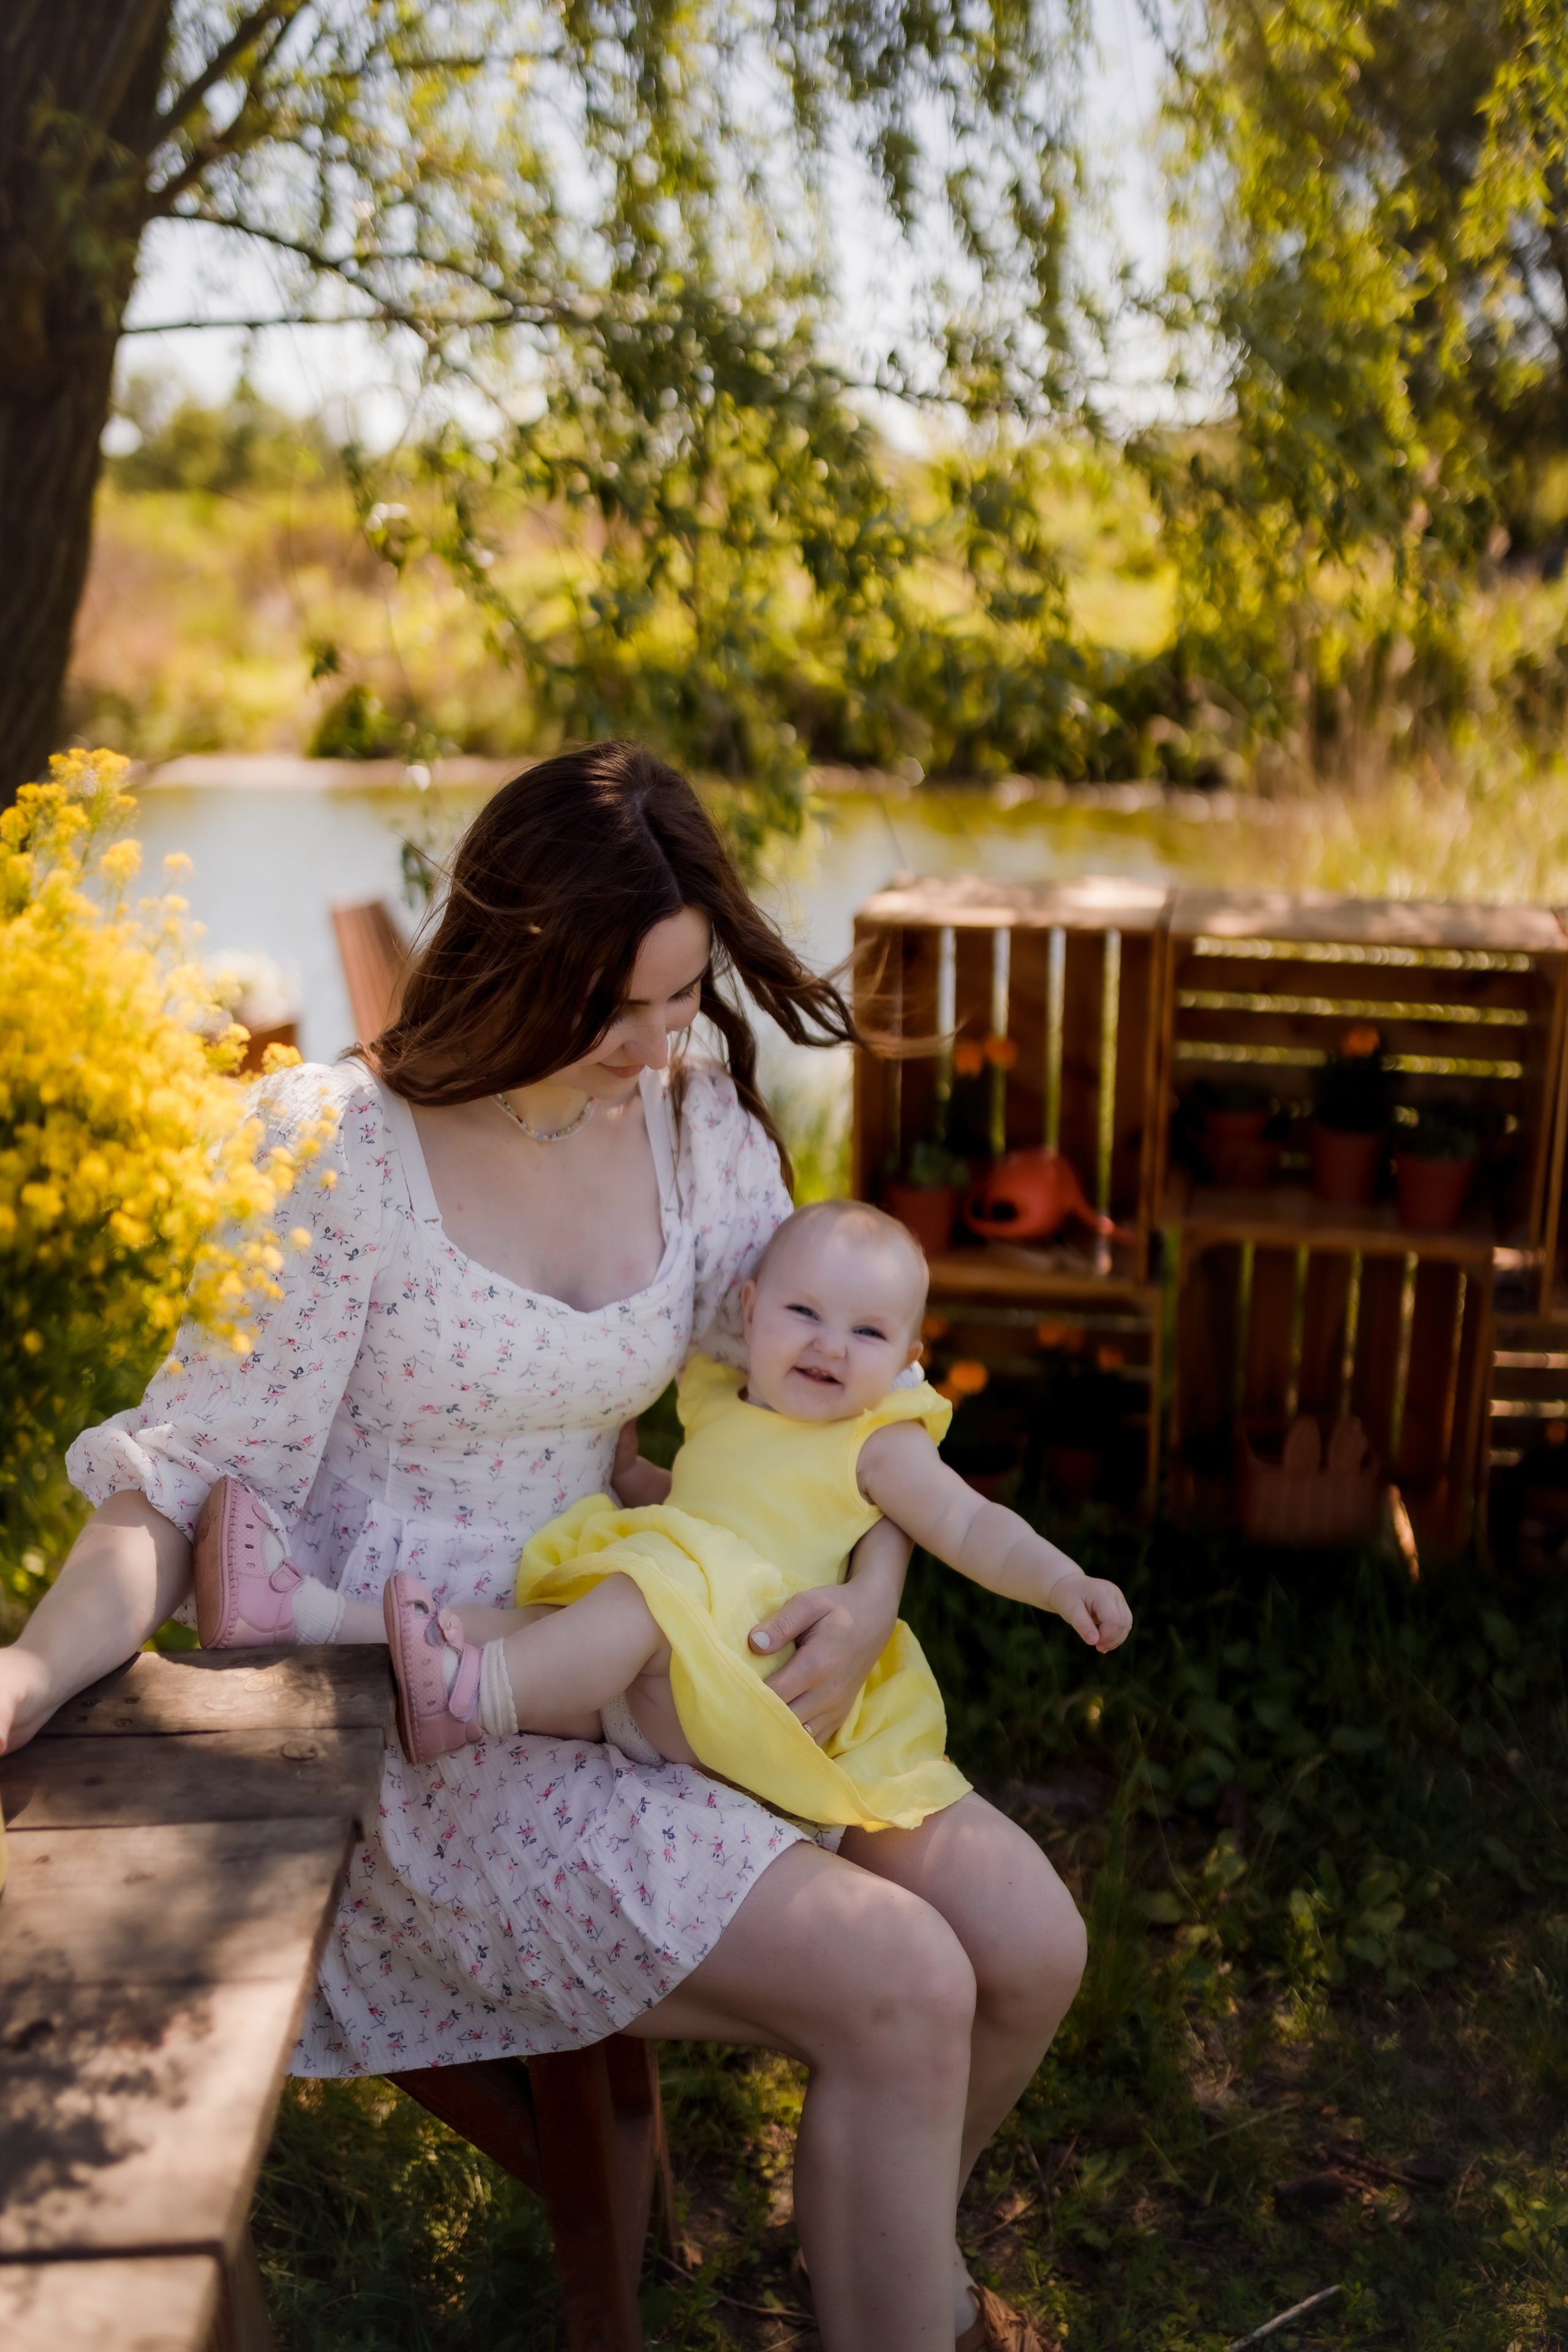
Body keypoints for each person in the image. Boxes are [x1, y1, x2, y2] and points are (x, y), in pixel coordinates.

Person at [0, 742, 1091, 2352]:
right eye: (617, 1008)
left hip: (669, 1645)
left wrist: (872, 1591)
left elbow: (840, 1403)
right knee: (907, 1983)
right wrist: (29, 1673)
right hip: (425, 1721)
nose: (657, 1046)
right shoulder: (340, 1155)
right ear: (510, 962)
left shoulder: (694, 1131)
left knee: (1029, 1942)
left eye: (681, 999)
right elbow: (180, 1483)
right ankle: (905, 2298)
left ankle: (886, 2255)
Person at [361, 1199, 1130, 1827]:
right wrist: (632, 1475)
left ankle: (477, 1702)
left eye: (867, 1332)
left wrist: (1062, 1582)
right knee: (541, 1619)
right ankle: (358, 1635)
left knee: (637, 1601)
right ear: (752, 1312)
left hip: (745, 1675)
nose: (831, 1346)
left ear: (906, 1359)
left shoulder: (876, 1445)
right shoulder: (721, 1403)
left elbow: (972, 1526)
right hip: (652, 1683)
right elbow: (701, 1516)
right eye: (805, 1312)